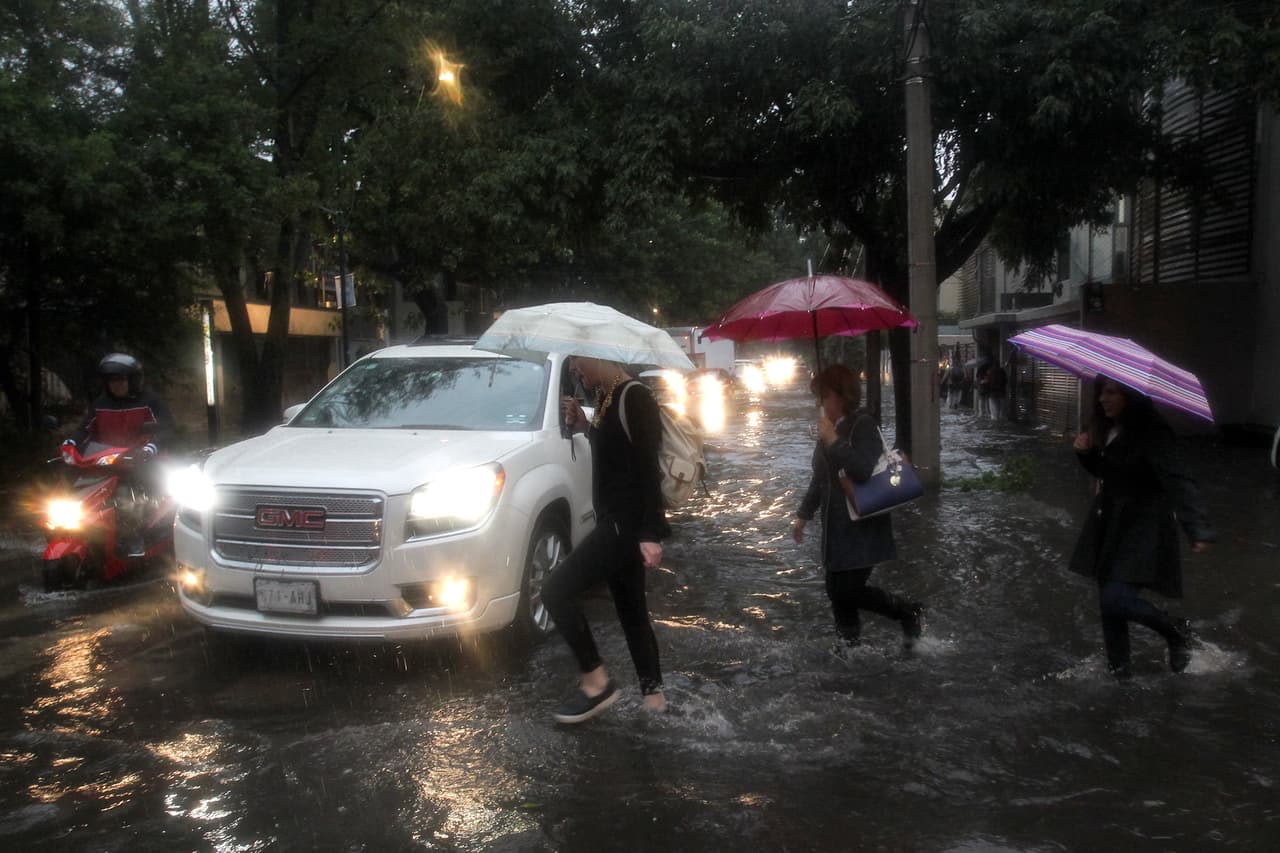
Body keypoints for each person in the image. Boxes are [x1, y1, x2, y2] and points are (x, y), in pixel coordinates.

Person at [542, 355, 671, 723]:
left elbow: (648, 468)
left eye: (579, 362)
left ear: (599, 356)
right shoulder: (606, 397)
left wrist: (650, 533)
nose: (576, 370)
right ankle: (655, 700)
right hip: (614, 521)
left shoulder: (635, 398)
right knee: (632, 613)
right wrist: (586, 426)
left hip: (624, 525)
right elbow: (616, 452)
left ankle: (597, 683)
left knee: (554, 591)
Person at [1069, 376, 1214, 678]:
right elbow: (1110, 473)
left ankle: (1176, 631)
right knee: (1109, 609)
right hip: (1109, 522)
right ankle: (1120, 676)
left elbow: (1179, 479)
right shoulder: (1111, 427)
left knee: (1116, 598)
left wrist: (1196, 526)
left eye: (1111, 393)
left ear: (1130, 396)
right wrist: (1087, 455)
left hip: (1143, 525)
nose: (1102, 399)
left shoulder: (1153, 431)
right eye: (1101, 393)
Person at [791, 364, 923, 652]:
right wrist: (803, 514)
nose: (820, 403)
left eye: (824, 396)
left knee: (846, 589)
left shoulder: (863, 425)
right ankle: (848, 647)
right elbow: (821, 478)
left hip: (862, 524)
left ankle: (907, 611)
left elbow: (863, 469)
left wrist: (834, 441)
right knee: (836, 592)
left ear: (841, 396)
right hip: (836, 527)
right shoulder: (829, 428)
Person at [64, 353, 174, 458]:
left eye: (121, 380)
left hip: (145, 462)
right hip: (108, 461)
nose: (116, 385)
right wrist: (71, 443)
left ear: (133, 381)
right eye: (112, 381)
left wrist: (150, 448)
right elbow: (84, 430)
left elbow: (165, 429)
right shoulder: (100, 404)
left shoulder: (150, 401)